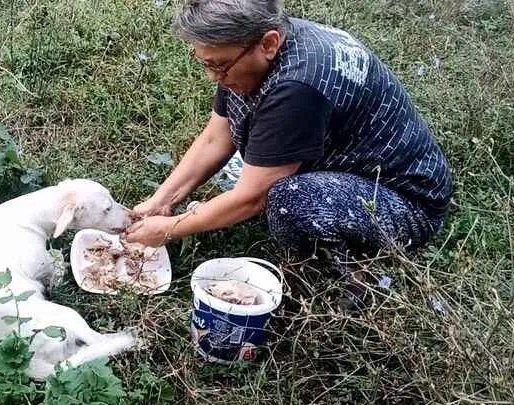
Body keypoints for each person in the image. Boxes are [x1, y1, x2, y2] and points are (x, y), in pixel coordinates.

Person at [123, 0, 453, 302]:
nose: (213, 77)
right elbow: (215, 138)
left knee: (289, 199)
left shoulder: (297, 86)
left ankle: (343, 278)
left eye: (220, 66)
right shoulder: (257, 44)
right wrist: (161, 201)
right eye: (206, 64)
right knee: (245, 166)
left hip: (405, 203)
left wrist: (169, 229)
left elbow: (253, 198)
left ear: (268, 44)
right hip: (340, 163)